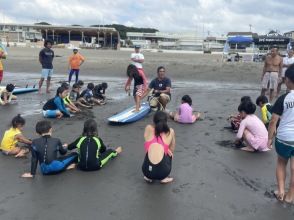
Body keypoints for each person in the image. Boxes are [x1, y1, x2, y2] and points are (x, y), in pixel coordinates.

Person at [268, 64, 294, 203]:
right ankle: (290, 197)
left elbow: (273, 121)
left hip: (284, 138)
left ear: (288, 80)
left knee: (281, 163)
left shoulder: (284, 98)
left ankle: (281, 192)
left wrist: (269, 138)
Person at [142, 111, 176, 183]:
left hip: (146, 172)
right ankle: (164, 178)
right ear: (166, 121)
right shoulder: (170, 131)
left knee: (149, 150)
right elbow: (172, 149)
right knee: (170, 153)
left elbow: (147, 144)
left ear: (154, 121)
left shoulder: (148, 128)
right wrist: (167, 150)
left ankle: (148, 178)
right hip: (162, 174)